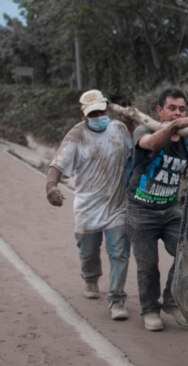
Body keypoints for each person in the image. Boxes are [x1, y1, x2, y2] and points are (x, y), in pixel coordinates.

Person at [46, 89, 132, 321]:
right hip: (87, 206)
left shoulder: (119, 129)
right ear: (84, 115)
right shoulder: (77, 134)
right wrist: (51, 185)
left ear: (107, 108)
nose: (97, 116)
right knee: (89, 253)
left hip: (117, 205)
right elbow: (58, 163)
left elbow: (135, 154)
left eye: (101, 111)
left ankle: (116, 299)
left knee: (119, 253)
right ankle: (91, 278)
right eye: (92, 113)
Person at [125, 87, 188, 331]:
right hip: (140, 211)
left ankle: (172, 301)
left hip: (170, 210)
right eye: (172, 108)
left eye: (182, 109)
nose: (177, 113)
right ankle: (150, 309)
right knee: (147, 265)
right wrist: (172, 128)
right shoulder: (144, 130)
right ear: (159, 110)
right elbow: (151, 143)